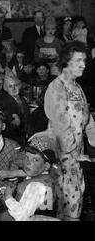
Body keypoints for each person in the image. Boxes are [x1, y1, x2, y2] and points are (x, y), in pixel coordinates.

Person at [44, 41, 95, 221]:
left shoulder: (77, 87)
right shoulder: (56, 88)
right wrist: (74, 153)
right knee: (67, 202)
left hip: (76, 157)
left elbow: (86, 118)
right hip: (63, 158)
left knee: (75, 199)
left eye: (84, 61)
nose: (83, 65)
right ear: (66, 62)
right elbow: (61, 125)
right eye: (79, 60)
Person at [0, 134, 58, 221]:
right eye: (26, 157)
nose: (28, 162)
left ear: (46, 166)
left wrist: (8, 197)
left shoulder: (36, 186)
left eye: (35, 160)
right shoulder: (43, 177)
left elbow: (22, 217)